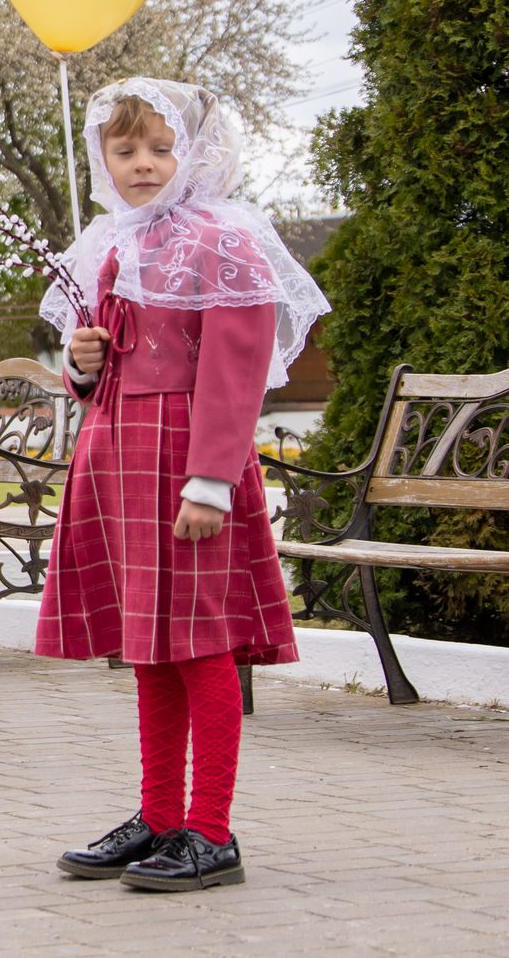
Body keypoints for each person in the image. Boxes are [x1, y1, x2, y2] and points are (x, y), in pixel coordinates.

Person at [38, 78, 328, 892]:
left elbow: (235, 372)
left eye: (160, 149)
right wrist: (81, 364)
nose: (142, 164)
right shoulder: (112, 242)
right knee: (149, 646)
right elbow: (103, 361)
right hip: (120, 452)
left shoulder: (223, 241)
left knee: (201, 643)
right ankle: (160, 812)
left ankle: (211, 829)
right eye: (124, 150)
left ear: (194, 154)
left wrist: (210, 480)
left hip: (188, 462)